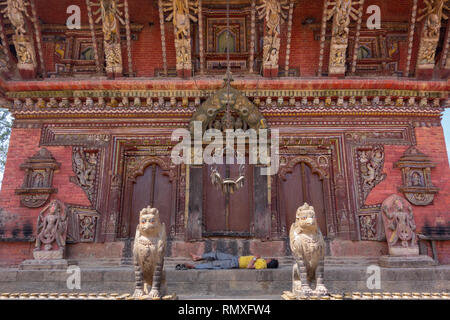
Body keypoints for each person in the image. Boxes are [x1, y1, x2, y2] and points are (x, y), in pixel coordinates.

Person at [177, 251, 279, 270]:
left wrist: (255, 258)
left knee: (214, 264)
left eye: (271, 259)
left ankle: (194, 266)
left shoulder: (262, 265)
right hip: (235, 258)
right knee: (216, 254)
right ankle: (198, 257)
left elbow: (249, 267)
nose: (269, 258)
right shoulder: (263, 260)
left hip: (234, 263)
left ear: (270, 262)